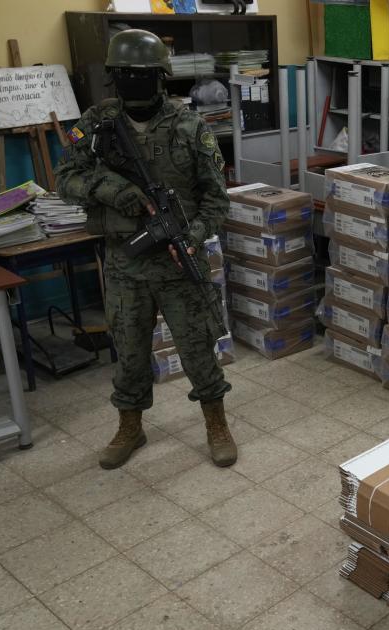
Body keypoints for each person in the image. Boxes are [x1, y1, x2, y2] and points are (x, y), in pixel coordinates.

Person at [56, 29, 236, 469]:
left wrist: (192, 236)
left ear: (161, 77)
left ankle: (216, 424)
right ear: (114, 76)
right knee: (130, 351)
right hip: (124, 263)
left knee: (198, 349)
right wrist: (110, 188)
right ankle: (130, 428)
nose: (137, 81)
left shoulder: (189, 126)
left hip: (180, 263)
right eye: (127, 74)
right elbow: (65, 179)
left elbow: (217, 199)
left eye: (145, 74)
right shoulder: (95, 123)